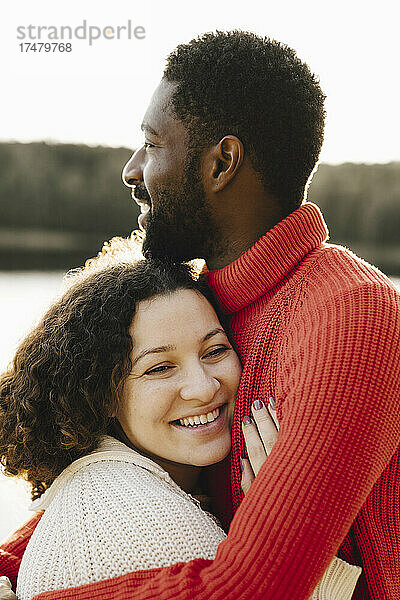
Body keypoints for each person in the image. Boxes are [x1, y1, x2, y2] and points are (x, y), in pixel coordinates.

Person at [1, 30, 400, 600]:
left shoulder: (348, 316)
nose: (132, 171)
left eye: (152, 143)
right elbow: (134, 468)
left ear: (223, 162)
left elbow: (254, 588)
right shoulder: (211, 304)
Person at [0, 248, 360, 600]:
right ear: (103, 393)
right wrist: (290, 535)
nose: (203, 388)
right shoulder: (151, 524)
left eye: (215, 351)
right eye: (160, 368)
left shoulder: (101, 483)